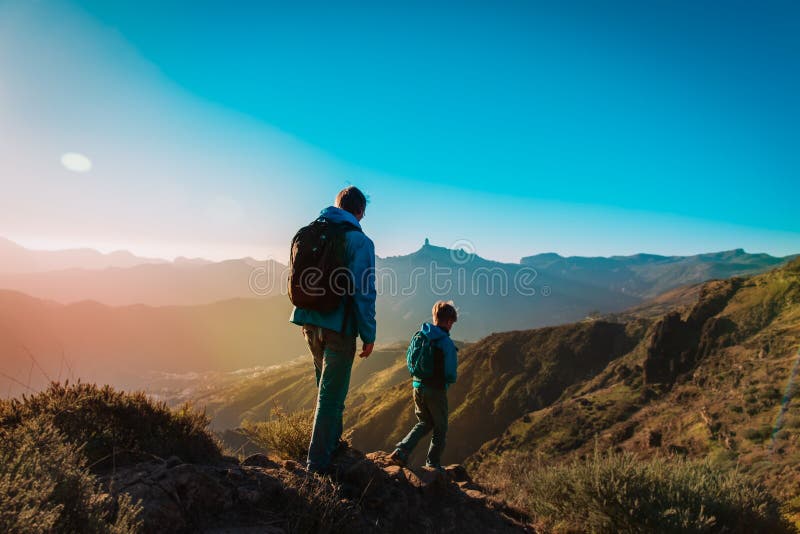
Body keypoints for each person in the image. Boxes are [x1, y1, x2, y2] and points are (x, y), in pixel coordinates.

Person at [290, 186, 376, 474]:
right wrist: (369, 334)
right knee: (331, 396)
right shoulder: (359, 241)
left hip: (308, 322)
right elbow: (363, 292)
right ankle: (317, 467)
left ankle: (332, 445)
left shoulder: (312, 231)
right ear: (360, 211)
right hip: (338, 328)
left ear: (337, 205)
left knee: (325, 390)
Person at [389, 301, 458, 469]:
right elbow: (450, 373)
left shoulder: (421, 335)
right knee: (440, 428)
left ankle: (401, 451)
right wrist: (448, 382)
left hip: (417, 386)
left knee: (425, 422)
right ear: (449, 321)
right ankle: (432, 464)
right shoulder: (445, 342)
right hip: (435, 389)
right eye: (452, 322)